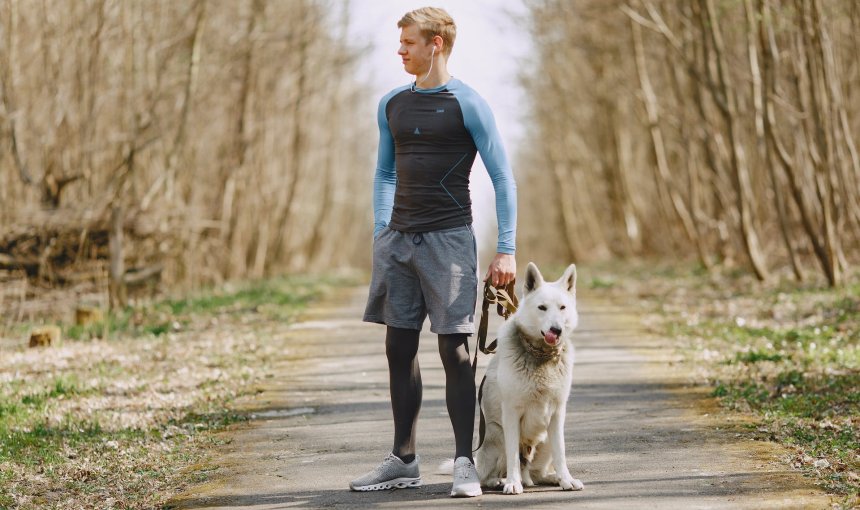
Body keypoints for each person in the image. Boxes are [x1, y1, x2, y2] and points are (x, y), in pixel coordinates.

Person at [349, 6, 516, 498]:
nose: (399, 51)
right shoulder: (392, 104)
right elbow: (384, 174)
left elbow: (502, 177)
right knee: (398, 347)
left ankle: (464, 462)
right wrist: (382, 228)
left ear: (435, 43)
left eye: (408, 43)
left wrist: (505, 249)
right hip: (398, 241)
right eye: (399, 43)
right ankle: (403, 459)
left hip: (449, 241)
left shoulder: (469, 104)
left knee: (455, 350)